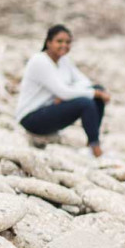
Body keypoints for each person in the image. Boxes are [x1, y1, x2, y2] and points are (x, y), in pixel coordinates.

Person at [16, 24, 111, 157]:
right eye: (59, 41)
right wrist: (67, 93)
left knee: (97, 92)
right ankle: (95, 148)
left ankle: (91, 144)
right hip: (31, 118)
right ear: (48, 43)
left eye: (67, 42)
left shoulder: (64, 60)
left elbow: (85, 82)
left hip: (51, 109)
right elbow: (63, 92)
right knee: (86, 101)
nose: (64, 45)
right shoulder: (40, 61)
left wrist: (90, 92)